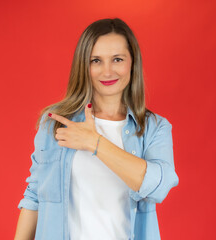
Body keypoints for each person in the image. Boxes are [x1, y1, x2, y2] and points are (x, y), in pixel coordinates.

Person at [14, 18, 179, 240]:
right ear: (84, 65)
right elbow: (34, 196)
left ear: (132, 63)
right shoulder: (55, 123)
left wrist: (94, 143)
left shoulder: (154, 128)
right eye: (96, 61)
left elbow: (158, 187)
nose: (107, 71)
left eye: (117, 59)